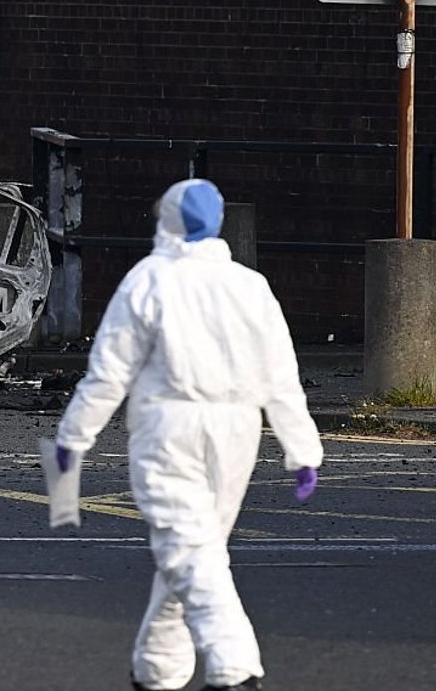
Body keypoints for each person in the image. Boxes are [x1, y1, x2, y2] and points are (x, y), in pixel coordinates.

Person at [52, 178, 322, 691]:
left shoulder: (150, 278)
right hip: (238, 429)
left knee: (187, 550)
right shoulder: (250, 285)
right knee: (197, 549)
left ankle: (233, 665)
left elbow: (110, 371)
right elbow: (281, 376)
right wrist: (302, 449)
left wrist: (74, 437)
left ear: (168, 221)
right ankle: (157, 670)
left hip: (167, 428)